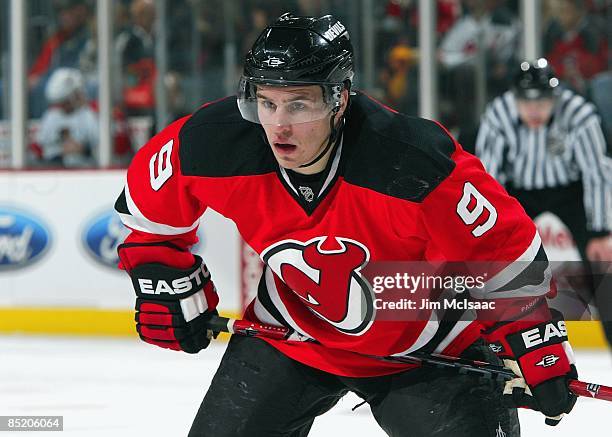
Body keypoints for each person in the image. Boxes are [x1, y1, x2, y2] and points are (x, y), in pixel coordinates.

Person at [115, 14, 578, 436]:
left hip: (428, 348)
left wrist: (533, 336)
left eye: (299, 105)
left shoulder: (411, 163)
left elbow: (505, 248)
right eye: (267, 102)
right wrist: (161, 277)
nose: (278, 127)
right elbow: (149, 217)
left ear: (339, 99)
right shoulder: (215, 142)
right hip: (290, 335)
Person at [475, 58, 612, 343]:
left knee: (603, 263)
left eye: (542, 101)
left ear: (555, 96)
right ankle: (485, 338)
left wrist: (600, 232)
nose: (534, 110)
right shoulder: (498, 114)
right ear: (515, 98)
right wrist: (490, 235)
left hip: (570, 191)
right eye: (526, 102)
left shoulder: (579, 114)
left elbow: (597, 173)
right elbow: (488, 178)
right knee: (493, 261)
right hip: (517, 191)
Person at [37, 68, 98, 167]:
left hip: (86, 169)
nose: (63, 106)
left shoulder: (89, 116)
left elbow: (99, 149)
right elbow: (42, 149)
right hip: (55, 169)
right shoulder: (50, 117)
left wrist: (83, 150)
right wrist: (61, 151)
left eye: (65, 101)